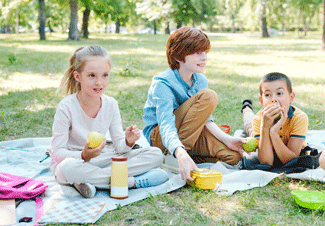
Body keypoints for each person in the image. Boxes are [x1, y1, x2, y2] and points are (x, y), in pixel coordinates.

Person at [50, 45, 168, 198]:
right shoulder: (66, 107)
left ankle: (87, 182)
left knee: (156, 154)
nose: (99, 82)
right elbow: (57, 152)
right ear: (77, 76)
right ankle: (131, 182)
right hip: (75, 162)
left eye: (105, 75)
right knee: (67, 169)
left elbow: (120, 146)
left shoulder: (111, 104)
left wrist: (128, 141)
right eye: (92, 75)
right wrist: (84, 156)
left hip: (102, 160)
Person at [143, 27, 247, 183]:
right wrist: (179, 151)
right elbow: (166, 125)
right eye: (198, 53)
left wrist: (227, 140)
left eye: (205, 52)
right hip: (161, 137)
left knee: (233, 157)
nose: (204, 58)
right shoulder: (162, 84)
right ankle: (176, 156)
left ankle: (187, 156)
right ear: (178, 56)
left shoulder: (200, 80)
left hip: (190, 132)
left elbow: (206, 119)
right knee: (209, 96)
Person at [241, 72, 312, 167]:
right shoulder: (258, 119)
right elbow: (266, 162)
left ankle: (247, 108)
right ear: (261, 101)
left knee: (250, 125)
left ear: (291, 97)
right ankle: (246, 108)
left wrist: (274, 133)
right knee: (249, 124)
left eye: (279, 93)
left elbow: (291, 161)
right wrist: (265, 127)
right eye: (267, 95)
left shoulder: (299, 118)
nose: (273, 99)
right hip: (260, 130)